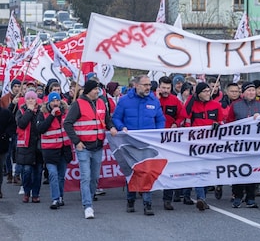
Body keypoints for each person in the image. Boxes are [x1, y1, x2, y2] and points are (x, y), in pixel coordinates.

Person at [112, 75, 165, 216]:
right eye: (145, 84)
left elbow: (160, 119)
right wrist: (121, 127)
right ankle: (130, 199)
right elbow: (116, 118)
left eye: (149, 84)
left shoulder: (154, 100)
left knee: (147, 173)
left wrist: (158, 133)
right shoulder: (124, 101)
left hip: (147, 144)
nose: (148, 87)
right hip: (129, 144)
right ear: (136, 85)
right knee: (133, 172)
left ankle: (147, 204)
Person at [63, 79, 117, 219]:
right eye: (95, 89)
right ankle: (87, 205)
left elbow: (106, 119)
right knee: (85, 177)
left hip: (98, 146)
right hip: (84, 147)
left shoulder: (101, 102)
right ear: (88, 91)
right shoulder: (77, 104)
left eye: (98, 89)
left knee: (94, 178)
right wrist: (77, 141)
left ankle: (90, 198)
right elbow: (67, 124)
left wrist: (111, 127)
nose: (97, 91)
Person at [226, 81, 260, 208]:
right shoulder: (235, 105)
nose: (251, 93)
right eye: (248, 91)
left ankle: (251, 197)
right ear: (243, 93)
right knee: (239, 170)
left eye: (253, 90)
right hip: (239, 144)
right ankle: (237, 196)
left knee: (253, 170)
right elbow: (229, 123)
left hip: (255, 144)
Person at [182, 82, 224, 210]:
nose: (207, 93)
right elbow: (185, 118)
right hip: (196, 143)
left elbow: (221, 121)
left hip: (210, 144)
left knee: (206, 170)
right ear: (198, 93)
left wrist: (218, 124)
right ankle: (201, 198)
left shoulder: (216, 105)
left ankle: (194, 195)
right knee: (198, 169)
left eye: (208, 90)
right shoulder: (192, 105)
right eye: (204, 91)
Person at [36, 91, 72, 209]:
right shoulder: (43, 113)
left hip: (63, 148)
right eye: (53, 101)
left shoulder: (65, 112)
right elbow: (40, 128)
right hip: (50, 149)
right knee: (53, 174)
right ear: (49, 102)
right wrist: (51, 115)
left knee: (61, 175)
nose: (55, 103)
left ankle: (60, 196)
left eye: (57, 100)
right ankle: (55, 199)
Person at [157, 76, 185, 210]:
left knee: (169, 168)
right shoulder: (152, 99)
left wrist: (176, 123)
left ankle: (167, 199)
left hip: (170, 139)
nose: (166, 90)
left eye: (168, 88)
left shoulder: (175, 101)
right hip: (153, 139)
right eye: (163, 87)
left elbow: (182, 115)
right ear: (159, 87)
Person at [15, 90, 44, 203]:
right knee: (26, 171)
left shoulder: (42, 111)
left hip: (38, 145)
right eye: (28, 99)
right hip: (26, 145)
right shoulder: (21, 111)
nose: (31, 100)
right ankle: (27, 192)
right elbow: (22, 124)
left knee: (38, 171)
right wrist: (29, 111)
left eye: (33, 98)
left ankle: (35, 194)